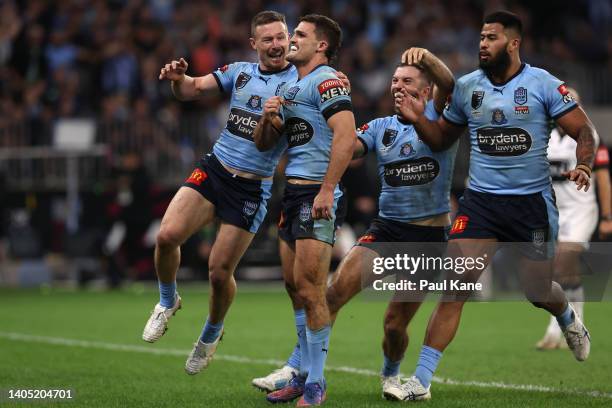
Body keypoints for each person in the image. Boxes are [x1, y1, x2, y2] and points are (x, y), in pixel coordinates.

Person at [395, 11, 597, 401]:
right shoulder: (468, 87)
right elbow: (441, 140)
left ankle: (568, 317)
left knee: (537, 291)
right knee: (455, 288)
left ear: (514, 43)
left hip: (531, 206)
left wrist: (584, 162)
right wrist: (419, 119)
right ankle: (420, 381)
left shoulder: (543, 84)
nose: (482, 44)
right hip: (482, 204)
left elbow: (584, 129)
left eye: (491, 38)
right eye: (481, 37)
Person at [255, 47, 456, 403]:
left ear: (426, 92)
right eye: (394, 81)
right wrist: (336, 98)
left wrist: (425, 59)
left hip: (428, 239)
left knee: (395, 324)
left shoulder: (440, 120)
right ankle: (297, 369)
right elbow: (344, 145)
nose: (397, 87)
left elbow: (449, 84)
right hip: (386, 232)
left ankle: (391, 375)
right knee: (331, 295)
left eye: (407, 81)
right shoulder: (381, 128)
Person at [141, 11, 296, 374]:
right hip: (215, 170)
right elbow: (191, 89)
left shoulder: (300, 82)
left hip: (251, 186)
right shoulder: (240, 72)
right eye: (268, 39)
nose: (276, 44)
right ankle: (167, 301)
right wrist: (177, 80)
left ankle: (210, 334)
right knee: (166, 236)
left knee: (218, 272)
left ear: (289, 39)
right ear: (253, 43)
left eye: (281, 37)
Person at [253, 14, 355, 406]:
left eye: (299, 34)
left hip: (317, 193)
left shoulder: (327, 81)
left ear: (322, 45)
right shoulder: (294, 87)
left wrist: (328, 190)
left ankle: (316, 384)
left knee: (313, 292)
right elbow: (265, 145)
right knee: (295, 288)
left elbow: (346, 136)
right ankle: (301, 374)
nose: (291, 39)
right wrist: (268, 118)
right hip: (292, 195)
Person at [537, 87, 611, 349]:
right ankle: (576, 322)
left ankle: (558, 327)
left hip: (582, 210)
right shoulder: (544, 137)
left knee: (562, 261)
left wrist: (607, 216)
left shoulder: (589, 137)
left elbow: (602, 177)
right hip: (553, 212)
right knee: (561, 271)